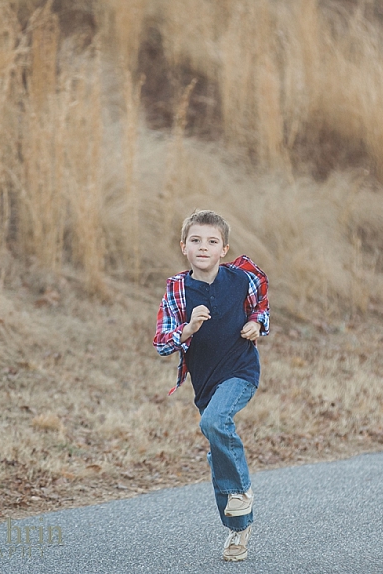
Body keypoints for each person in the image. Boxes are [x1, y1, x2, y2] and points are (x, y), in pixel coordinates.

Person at [153, 209, 269, 562]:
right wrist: (187, 329)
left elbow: (260, 309)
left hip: (240, 371)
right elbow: (161, 342)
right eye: (196, 241)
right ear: (184, 247)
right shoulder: (177, 288)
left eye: (212, 242)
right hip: (205, 384)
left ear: (224, 248)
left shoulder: (240, 279)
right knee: (218, 454)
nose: (203, 247)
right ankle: (238, 529)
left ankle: (242, 492)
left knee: (214, 422)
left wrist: (255, 325)